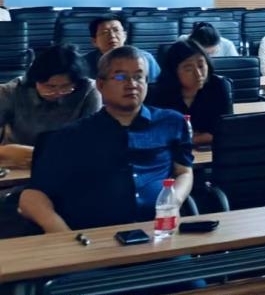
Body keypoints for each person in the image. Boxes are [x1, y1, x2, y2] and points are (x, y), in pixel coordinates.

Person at [19, 46, 193, 232]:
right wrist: (62, 234)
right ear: (100, 85)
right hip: (96, 236)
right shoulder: (70, 137)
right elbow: (31, 197)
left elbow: (184, 172)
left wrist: (173, 201)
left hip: (160, 230)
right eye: (120, 77)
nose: (132, 84)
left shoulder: (171, 122)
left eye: (138, 77)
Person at [0, 44, 100, 170]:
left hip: (67, 162)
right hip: (17, 162)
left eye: (66, 86)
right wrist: (4, 151)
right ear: (35, 81)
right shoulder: (11, 91)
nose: (57, 93)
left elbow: (92, 139)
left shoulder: (88, 91)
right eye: (50, 86)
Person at [147, 40, 232, 146]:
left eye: (201, 66)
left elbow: (226, 131)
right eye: (188, 69)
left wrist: (189, 140)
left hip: (209, 151)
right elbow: (156, 134)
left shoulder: (218, 86)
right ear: (174, 71)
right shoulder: (160, 93)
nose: (198, 74)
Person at [82, 15, 161, 81]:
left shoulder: (145, 59)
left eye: (116, 30)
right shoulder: (83, 63)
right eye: (105, 32)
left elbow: (155, 88)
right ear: (94, 41)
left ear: (125, 36)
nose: (112, 36)